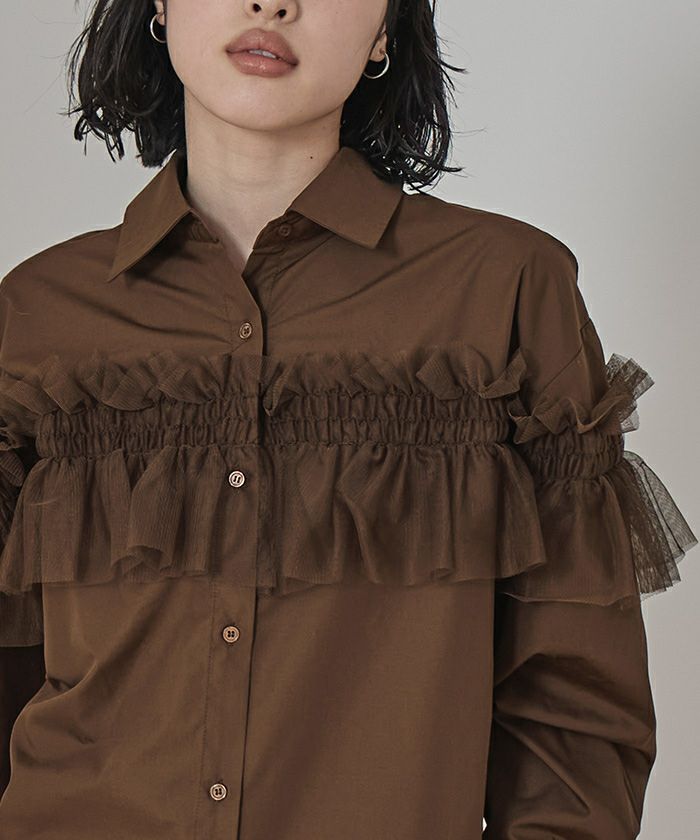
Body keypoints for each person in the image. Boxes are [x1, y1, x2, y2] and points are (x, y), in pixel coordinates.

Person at [0, 1, 695, 838]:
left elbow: (575, 720)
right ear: (160, 5)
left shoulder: (504, 293)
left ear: (385, 33)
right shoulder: (36, 315)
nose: (272, 3)